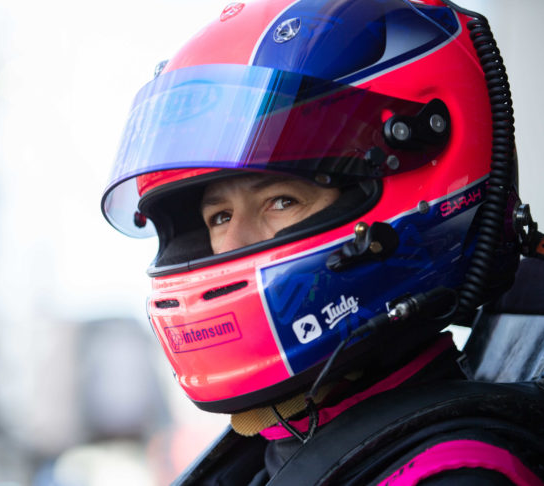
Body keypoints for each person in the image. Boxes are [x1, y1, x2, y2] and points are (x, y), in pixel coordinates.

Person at [101, 0, 544, 484]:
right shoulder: (277, 451)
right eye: (219, 216)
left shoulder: (452, 473)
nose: (230, 245)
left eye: (281, 201)